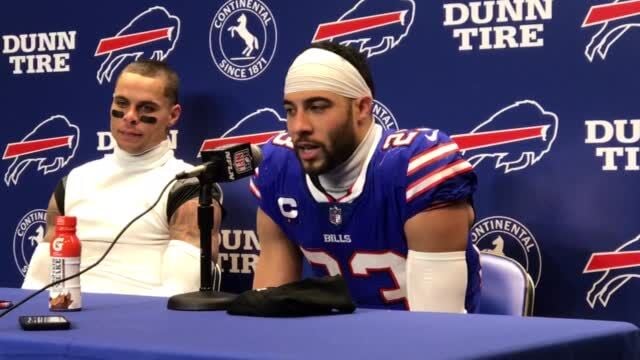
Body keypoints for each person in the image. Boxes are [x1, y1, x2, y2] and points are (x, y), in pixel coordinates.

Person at [250, 42, 480, 312]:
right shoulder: (278, 169)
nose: (299, 126)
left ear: (361, 108)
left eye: (318, 107)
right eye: (291, 110)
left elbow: (438, 327)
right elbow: (271, 310)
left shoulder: (416, 169)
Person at [22, 59, 223, 297]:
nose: (130, 116)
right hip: (66, 322)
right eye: (122, 103)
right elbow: (36, 284)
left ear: (173, 115)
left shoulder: (190, 186)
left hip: (144, 329)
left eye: (146, 108)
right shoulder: (74, 182)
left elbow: (182, 295)